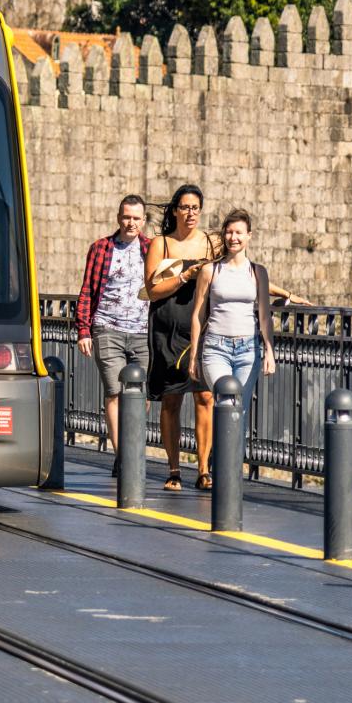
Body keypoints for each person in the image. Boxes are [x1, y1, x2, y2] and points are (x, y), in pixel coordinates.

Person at [188, 209, 309, 422]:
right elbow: (198, 315)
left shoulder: (258, 272)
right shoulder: (210, 271)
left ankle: (228, 456)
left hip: (248, 350)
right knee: (224, 404)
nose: (233, 238)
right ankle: (220, 455)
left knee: (240, 413)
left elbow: (264, 316)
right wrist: (193, 357)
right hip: (216, 349)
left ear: (248, 236)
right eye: (229, 232)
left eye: (239, 233)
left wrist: (270, 352)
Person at [144, 184, 221, 491]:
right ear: (175, 210)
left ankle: (203, 469)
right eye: (185, 207)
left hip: (201, 328)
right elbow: (151, 290)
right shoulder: (161, 244)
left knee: (205, 396)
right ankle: (174, 469)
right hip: (168, 329)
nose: (190, 213)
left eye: (195, 208)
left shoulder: (211, 243)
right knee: (172, 400)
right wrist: (184, 277)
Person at [74, 194, 151, 463]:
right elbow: (87, 290)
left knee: (141, 393)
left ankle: (133, 445)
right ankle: (124, 457)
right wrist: (83, 330)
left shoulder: (152, 249)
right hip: (107, 328)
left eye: (136, 218)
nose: (131, 223)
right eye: (126, 217)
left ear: (144, 220)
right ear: (119, 217)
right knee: (115, 391)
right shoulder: (101, 248)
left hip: (143, 331)